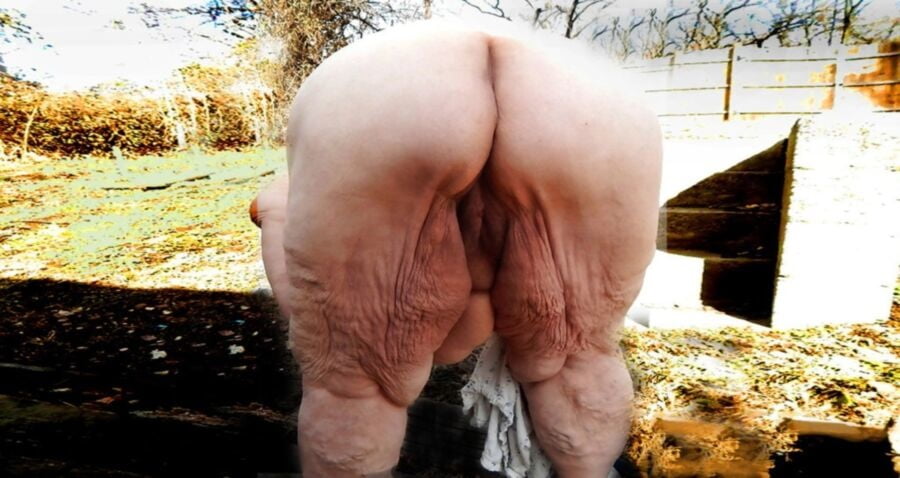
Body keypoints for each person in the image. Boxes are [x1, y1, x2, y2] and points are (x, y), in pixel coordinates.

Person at [250, 18, 661, 478]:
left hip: (384, 94)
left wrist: (277, 219)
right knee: (580, 356)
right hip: (590, 101)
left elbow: (291, 268)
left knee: (350, 381)